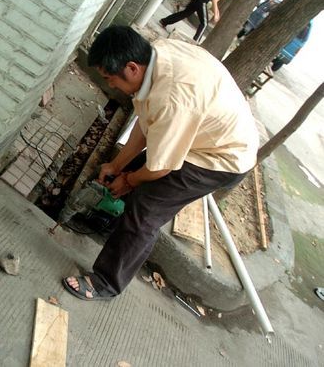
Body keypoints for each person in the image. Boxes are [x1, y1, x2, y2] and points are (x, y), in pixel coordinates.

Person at [62, 26, 259, 301]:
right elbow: (146, 124)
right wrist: (117, 166)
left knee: (145, 209)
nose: (110, 86)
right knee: (136, 184)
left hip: (220, 159)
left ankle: (105, 282)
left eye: (110, 79)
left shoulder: (173, 97)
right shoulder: (157, 55)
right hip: (203, 133)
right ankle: (123, 235)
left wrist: (129, 180)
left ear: (131, 68)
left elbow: (159, 168)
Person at [160, 0, 240, 42]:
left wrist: (217, 14)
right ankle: (195, 42)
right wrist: (216, 14)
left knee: (184, 14)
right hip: (202, 0)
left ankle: (164, 21)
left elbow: (214, 1)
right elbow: (214, 1)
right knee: (204, 24)